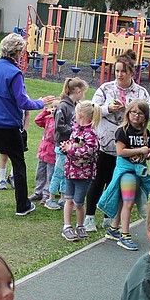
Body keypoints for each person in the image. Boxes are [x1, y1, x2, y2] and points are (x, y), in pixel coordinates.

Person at [0, 33, 56, 216]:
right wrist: (41, 102)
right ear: (17, 52)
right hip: (7, 125)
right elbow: (23, 102)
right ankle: (22, 205)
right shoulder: (15, 73)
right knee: (18, 163)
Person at [85, 56, 150, 231]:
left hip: (129, 147)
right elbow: (92, 109)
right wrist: (108, 108)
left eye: (123, 71)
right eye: (117, 71)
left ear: (131, 72)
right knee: (99, 180)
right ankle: (89, 216)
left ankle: (110, 217)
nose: (120, 74)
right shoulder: (106, 89)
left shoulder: (141, 92)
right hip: (105, 143)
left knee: (116, 183)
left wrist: (129, 111)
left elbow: (147, 113)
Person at [97, 100, 150, 252]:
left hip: (138, 170)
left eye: (141, 113)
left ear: (146, 117)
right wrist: (140, 150)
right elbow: (120, 151)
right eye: (133, 112)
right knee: (128, 204)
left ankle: (113, 228)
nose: (136, 116)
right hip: (126, 172)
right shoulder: (122, 131)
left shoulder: (145, 133)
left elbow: (147, 152)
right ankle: (125, 236)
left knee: (124, 203)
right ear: (128, 113)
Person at [60, 100, 100, 242]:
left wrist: (70, 149)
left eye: (76, 114)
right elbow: (73, 147)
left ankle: (80, 225)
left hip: (83, 174)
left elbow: (88, 152)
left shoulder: (91, 134)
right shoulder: (75, 130)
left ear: (81, 115)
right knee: (68, 199)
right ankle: (67, 226)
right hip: (70, 172)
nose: (75, 116)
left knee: (79, 202)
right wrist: (66, 148)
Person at [49, 77, 88, 211]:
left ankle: (63, 198)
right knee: (58, 172)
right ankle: (51, 198)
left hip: (71, 146)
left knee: (67, 173)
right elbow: (59, 126)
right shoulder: (63, 106)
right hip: (62, 145)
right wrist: (74, 130)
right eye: (83, 92)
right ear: (78, 90)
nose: (84, 95)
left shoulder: (76, 105)